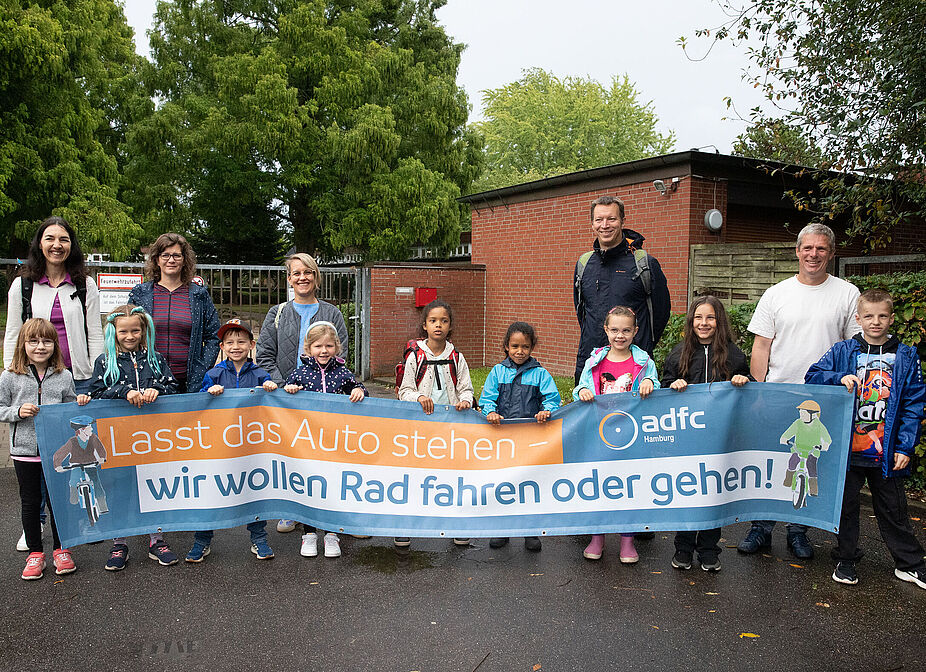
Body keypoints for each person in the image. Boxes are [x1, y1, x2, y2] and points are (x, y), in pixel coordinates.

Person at [737, 223, 861, 560]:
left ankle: (798, 531)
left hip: (824, 400)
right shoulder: (776, 293)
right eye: (808, 248)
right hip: (778, 392)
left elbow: (854, 347)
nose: (814, 255)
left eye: (821, 249)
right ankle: (760, 529)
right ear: (797, 251)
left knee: (808, 467)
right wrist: (759, 390)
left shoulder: (847, 293)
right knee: (772, 464)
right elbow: (761, 346)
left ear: (831, 254)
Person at [805, 289, 926, 589]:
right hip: (849, 448)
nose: (876, 322)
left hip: (886, 451)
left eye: (882, 316)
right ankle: (846, 559)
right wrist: (838, 378)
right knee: (845, 508)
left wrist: (904, 447)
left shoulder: (907, 356)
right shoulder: (843, 351)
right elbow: (812, 376)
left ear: (892, 318)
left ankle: (909, 564)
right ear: (858, 318)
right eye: (869, 316)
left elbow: (913, 404)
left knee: (894, 509)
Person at [4, 216, 103, 550]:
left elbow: (94, 334)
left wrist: (96, 377)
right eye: (50, 238)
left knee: (75, 452)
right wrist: (13, 376)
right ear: (40, 243)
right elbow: (14, 333)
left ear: (71, 245)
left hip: (75, 378)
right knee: (38, 453)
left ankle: (76, 520)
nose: (57, 245)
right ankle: (36, 525)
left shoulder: (85, 285)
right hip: (35, 378)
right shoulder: (24, 285)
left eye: (64, 239)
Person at [256, 253, 349, 534]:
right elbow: (264, 355)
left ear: (316, 277)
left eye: (308, 272)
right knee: (294, 456)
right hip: (290, 399)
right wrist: (284, 388)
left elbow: (341, 356)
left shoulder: (332, 313)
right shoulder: (278, 313)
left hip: (324, 399)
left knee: (329, 458)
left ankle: (337, 514)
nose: (302, 278)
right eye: (296, 273)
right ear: (289, 279)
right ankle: (293, 510)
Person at [660, 296, 751, 572]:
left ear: (719, 321)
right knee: (688, 494)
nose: (704, 323)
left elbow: (750, 392)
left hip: (720, 441)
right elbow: (662, 391)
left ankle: (710, 550)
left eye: (710, 318)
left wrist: (743, 381)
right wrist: (672, 385)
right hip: (687, 439)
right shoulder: (678, 354)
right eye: (699, 318)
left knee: (714, 494)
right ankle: (683, 548)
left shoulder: (734, 355)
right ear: (691, 321)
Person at [88, 305, 179, 570]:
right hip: (119, 438)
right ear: (114, 332)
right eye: (123, 331)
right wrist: (124, 391)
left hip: (152, 437)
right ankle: (119, 543)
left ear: (144, 330)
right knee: (121, 489)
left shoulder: (155, 359)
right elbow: (96, 392)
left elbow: (173, 386)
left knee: (153, 486)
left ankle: (156, 540)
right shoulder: (105, 362)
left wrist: (155, 389)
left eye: (135, 330)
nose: (130, 336)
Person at [186, 318, 279, 563]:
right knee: (212, 490)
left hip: (252, 447)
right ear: (222, 347)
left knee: (253, 490)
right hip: (219, 446)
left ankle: (259, 538)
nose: (235, 346)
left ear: (251, 344)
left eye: (241, 341)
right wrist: (209, 392)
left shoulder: (261, 375)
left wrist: (271, 388)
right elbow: (199, 404)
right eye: (230, 342)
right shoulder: (213, 374)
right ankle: (202, 540)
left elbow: (272, 406)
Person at [0, 319, 86, 579]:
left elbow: (71, 407)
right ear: (22, 344)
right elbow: (1, 408)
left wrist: (80, 401)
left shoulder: (64, 375)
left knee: (58, 501)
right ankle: (35, 554)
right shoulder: (10, 375)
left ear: (55, 345)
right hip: (24, 451)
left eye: (47, 341)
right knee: (30, 502)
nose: (40, 347)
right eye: (33, 341)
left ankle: (62, 549)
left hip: (56, 451)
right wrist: (17, 411)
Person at [574, 306, 659, 563]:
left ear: (635, 331)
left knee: (628, 487)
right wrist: (582, 392)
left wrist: (649, 383)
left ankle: (627, 540)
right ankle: (597, 537)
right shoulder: (595, 361)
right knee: (598, 486)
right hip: (599, 435)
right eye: (614, 330)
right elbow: (582, 385)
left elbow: (655, 385)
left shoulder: (643, 362)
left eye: (625, 330)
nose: (619, 335)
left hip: (631, 436)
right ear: (605, 330)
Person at [284, 321, 367, 559]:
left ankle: (332, 534)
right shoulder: (300, 373)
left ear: (336, 348)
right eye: (318, 346)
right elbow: (285, 399)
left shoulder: (342, 372)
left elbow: (360, 388)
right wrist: (290, 390)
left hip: (335, 441)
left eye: (329, 346)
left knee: (332, 486)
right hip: (308, 442)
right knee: (311, 487)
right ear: (308, 348)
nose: (323, 351)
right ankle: (309, 534)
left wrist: (359, 391)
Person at [397, 299, 475, 548]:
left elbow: (466, 388)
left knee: (452, 477)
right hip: (422, 427)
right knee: (417, 476)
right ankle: (407, 526)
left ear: (450, 326)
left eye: (443, 321)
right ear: (425, 325)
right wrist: (418, 397)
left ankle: (456, 525)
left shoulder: (457, 357)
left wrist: (465, 401)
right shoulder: (415, 356)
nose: (438, 325)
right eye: (433, 321)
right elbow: (404, 390)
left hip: (451, 427)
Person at [478, 322, 561, 552]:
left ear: (532, 347)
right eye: (515, 346)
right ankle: (502, 529)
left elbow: (552, 399)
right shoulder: (497, 371)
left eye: (525, 346)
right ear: (506, 346)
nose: (519, 351)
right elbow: (487, 399)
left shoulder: (540, 374)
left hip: (530, 441)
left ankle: (530, 531)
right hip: (502, 440)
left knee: (529, 484)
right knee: (503, 483)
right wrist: (490, 412)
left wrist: (547, 410)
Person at [573, 195, 670, 385]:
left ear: (622, 221)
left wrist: (640, 346)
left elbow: (661, 313)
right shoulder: (584, 264)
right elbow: (583, 313)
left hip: (632, 367)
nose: (605, 225)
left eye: (612, 219)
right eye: (599, 219)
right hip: (592, 365)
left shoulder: (644, 264)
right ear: (592, 224)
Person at [128, 232, 219, 393]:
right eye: (166, 255)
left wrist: (202, 368)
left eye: (177, 255)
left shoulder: (199, 295)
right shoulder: (141, 294)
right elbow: (128, 332)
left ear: (184, 260)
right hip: (149, 381)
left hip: (189, 380)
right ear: (156, 259)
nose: (171, 260)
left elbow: (214, 336)